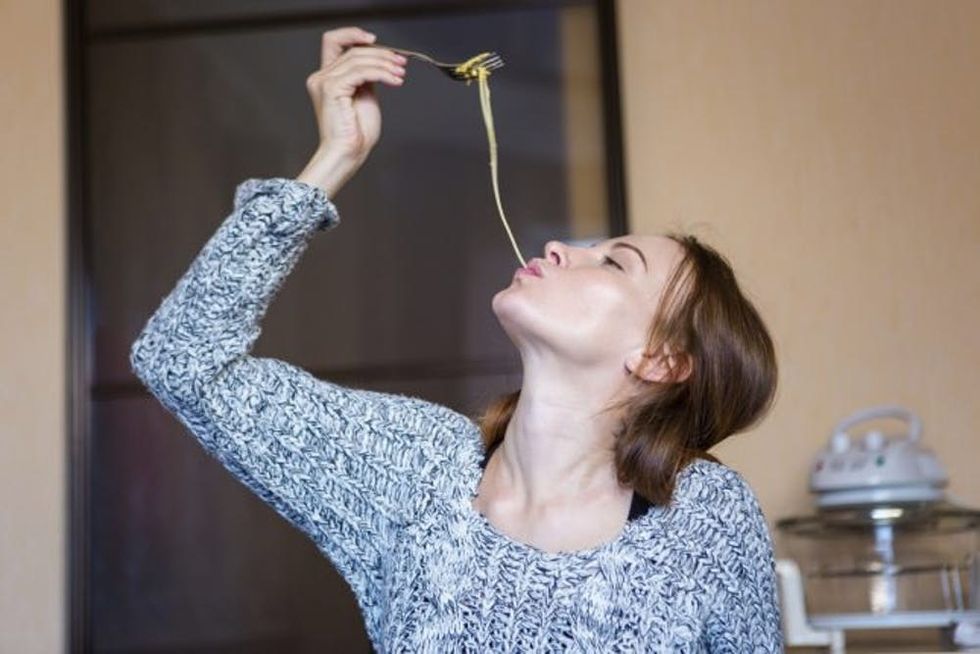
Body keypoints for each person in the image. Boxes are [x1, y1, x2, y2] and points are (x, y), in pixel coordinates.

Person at [130, 26, 783, 652]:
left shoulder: (707, 514)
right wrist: (334, 157)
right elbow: (181, 361)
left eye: (613, 262)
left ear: (663, 359)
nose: (560, 247)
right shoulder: (412, 468)